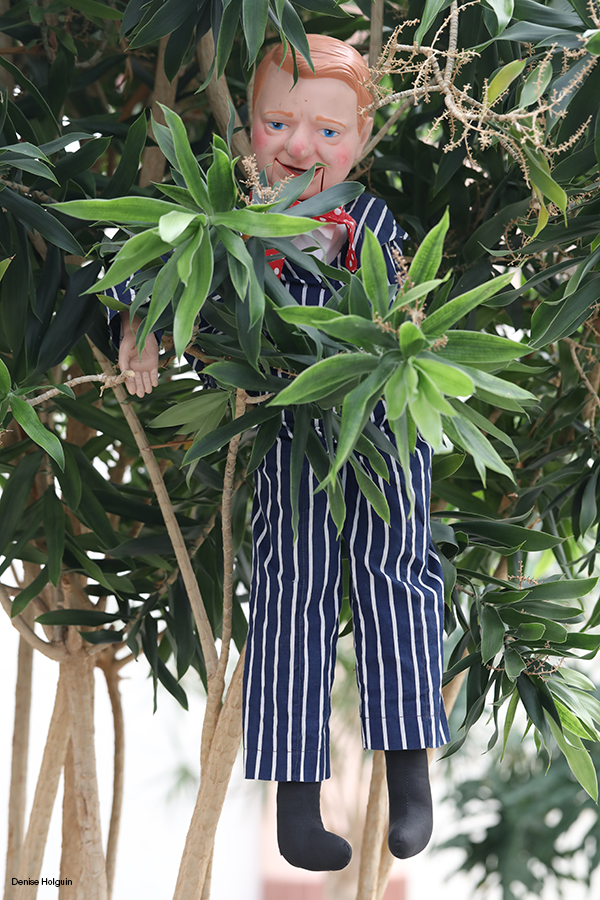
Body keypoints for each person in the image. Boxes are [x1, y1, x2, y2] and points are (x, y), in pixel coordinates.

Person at [110, 34, 450, 872]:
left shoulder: (371, 219)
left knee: (398, 570)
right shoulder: (229, 216)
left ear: (362, 139)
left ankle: (409, 771)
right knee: (290, 587)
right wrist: (138, 322)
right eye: (278, 123)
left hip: (379, 419)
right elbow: (146, 265)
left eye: (328, 131)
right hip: (284, 426)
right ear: (250, 127)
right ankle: (295, 801)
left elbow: (408, 308)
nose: (301, 146)